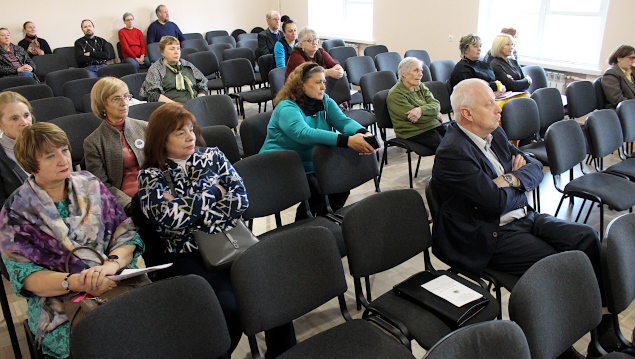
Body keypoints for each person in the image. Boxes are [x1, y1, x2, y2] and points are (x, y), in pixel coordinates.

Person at [431, 78, 621, 356]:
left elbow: (534, 166)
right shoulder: (452, 152)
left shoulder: (493, 133)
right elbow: (494, 203)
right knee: (555, 266)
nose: (498, 109)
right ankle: (556, 344)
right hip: (487, 234)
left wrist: (509, 179)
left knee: (586, 237)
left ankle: (603, 325)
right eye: (490, 103)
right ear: (467, 114)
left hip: (521, 216)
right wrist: (518, 183)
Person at [137, 103, 296, 357]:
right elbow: (168, 219)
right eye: (180, 133)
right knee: (228, 309)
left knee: (272, 291)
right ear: (161, 139)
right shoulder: (150, 176)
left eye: (191, 129)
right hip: (187, 254)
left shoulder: (213, 156)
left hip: (232, 241)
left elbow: (241, 199)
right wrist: (215, 192)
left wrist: (187, 208)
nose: (190, 137)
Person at [0, 122, 144, 358]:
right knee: (101, 344)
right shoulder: (16, 211)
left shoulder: (91, 184)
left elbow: (125, 233)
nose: (63, 160)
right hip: (62, 299)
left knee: (154, 329)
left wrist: (112, 265)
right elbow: (26, 276)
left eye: (64, 150)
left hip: (113, 282)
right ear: (31, 164)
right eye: (50, 156)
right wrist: (77, 282)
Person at [260, 62, 376, 219]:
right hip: (283, 164)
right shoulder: (286, 107)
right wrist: (347, 141)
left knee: (341, 186)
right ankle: (305, 229)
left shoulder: (324, 100)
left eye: (324, 82)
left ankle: (322, 221)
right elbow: (304, 133)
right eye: (317, 82)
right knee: (317, 193)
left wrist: (363, 133)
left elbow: (343, 121)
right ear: (301, 85)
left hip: (312, 162)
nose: (323, 87)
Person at [84, 77, 147, 214]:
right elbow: (101, 185)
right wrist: (129, 206)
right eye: (116, 98)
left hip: (155, 189)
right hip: (126, 200)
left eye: (126, 96)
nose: (124, 102)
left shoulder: (144, 127)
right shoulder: (93, 142)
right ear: (102, 105)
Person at [387, 57, 445, 152]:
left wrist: (421, 110)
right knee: (447, 150)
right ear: (404, 73)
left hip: (432, 125)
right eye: (416, 70)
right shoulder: (396, 94)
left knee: (458, 141)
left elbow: (436, 105)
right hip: (414, 132)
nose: (421, 74)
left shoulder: (420, 85)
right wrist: (434, 114)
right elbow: (414, 119)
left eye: (421, 71)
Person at [139, 36, 207, 104]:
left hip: (194, 104)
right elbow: (153, 94)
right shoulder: (156, 69)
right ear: (162, 52)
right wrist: (177, 106)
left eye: (178, 48)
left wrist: (199, 100)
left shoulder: (187, 65)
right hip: (172, 108)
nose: (176, 52)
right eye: (172, 49)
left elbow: (202, 83)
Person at [0, 92, 32, 204]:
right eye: (14, 118)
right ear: (0, 125)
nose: (24, 123)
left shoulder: (44, 143)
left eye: (26, 115)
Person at [601, 44, 635, 109]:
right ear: (619, 58)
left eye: (634, 58)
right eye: (631, 58)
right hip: (621, 110)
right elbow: (617, 99)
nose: (633, 61)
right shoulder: (611, 74)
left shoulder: (631, 70)